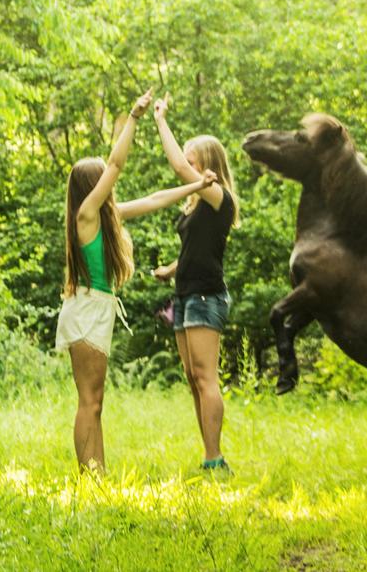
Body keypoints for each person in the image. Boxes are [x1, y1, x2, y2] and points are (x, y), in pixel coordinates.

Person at [57, 88, 218, 474]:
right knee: (89, 401)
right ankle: (89, 477)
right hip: (86, 309)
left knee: (96, 401)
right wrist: (133, 117)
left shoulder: (104, 216)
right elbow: (115, 165)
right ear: (90, 185)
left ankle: (99, 474)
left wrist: (196, 186)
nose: (108, 182)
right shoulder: (86, 215)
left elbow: (154, 199)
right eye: (100, 179)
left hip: (96, 308)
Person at [151, 95, 240, 474]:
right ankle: (209, 453)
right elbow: (195, 249)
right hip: (185, 295)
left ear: (207, 163)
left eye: (191, 159)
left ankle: (214, 458)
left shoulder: (220, 198)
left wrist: (160, 120)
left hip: (207, 296)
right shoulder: (195, 205)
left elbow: (174, 165)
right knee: (192, 378)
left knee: (206, 377)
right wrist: (171, 270)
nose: (185, 165)